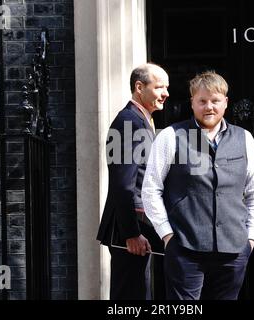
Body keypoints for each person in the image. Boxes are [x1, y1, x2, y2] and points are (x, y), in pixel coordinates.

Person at [141, 71, 254, 300]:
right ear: (192, 103)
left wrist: (251, 237)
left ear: (225, 103)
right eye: (202, 101)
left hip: (234, 248)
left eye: (215, 101)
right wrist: (167, 236)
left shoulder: (244, 138)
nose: (209, 107)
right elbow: (151, 189)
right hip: (185, 247)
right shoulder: (170, 136)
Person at [96, 63, 170, 300]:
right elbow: (123, 183)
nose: (166, 93)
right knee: (131, 296)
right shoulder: (130, 122)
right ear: (139, 87)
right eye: (159, 87)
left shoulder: (140, 120)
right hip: (130, 229)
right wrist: (131, 233)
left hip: (138, 225)